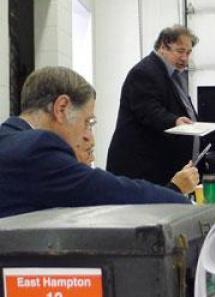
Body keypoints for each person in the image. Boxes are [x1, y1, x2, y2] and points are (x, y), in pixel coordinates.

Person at [0, 66, 197, 218]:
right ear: (61, 108)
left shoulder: (9, 138)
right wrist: (178, 197)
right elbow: (112, 192)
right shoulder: (36, 150)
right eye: (88, 122)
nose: (88, 136)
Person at [107, 24, 200, 186]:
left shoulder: (175, 76)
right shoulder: (144, 72)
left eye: (188, 52)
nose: (185, 58)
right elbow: (148, 110)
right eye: (180, 51)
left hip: (160, 168)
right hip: (141, 169)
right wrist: (175, 121)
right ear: (163, 46)